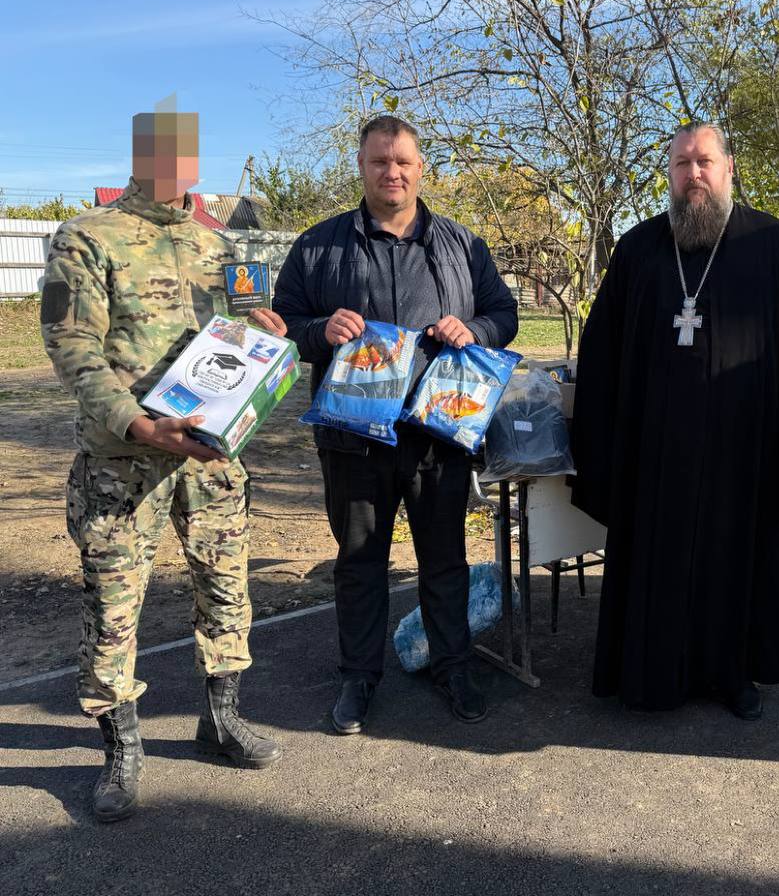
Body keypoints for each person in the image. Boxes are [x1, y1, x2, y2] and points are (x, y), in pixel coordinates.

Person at [41, 105, 287, 823]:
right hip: (123, 460)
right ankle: (121, 747)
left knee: (226, 588)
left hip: (209, 457)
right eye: (162, 151)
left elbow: (241, 329)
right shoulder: (84, 237)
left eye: (185, 152)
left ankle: (222, 719)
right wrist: (139, 423)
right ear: (140, 154)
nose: (175, 165)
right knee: (113, 609)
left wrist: (262, 327)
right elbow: (70, 345)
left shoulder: (219, 243)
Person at [570, 121, 779, 720]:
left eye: (705, 162)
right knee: (656, 560)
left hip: (742, 452)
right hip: (654, 452)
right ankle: (652, 675)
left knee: (733, 561)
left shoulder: (772, 243)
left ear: (729, 168)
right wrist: (603, 446)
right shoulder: (638, 248)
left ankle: (732, 676)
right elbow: (602, 351)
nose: (694, 174)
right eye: (682, 164)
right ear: (669, 172)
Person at [273, 114, 517, 734]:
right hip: (352, 437)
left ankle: (453, 666)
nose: (393, 172)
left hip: (438, 434)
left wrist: (475, 329)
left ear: (420, 168)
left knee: (445, 559)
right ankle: (359, 677)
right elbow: (284, 324)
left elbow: (503, 313)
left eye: (403, 161)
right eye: (380, 161)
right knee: (360, 563)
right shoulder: (318, 246)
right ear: (361, 166)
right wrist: (319, 330)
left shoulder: (462, 245)